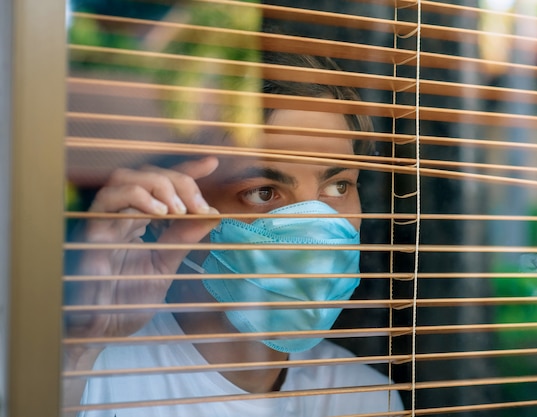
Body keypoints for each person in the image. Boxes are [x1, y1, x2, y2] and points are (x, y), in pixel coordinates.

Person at [64, 51, 404, 416]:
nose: (314, 231)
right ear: (167, 206)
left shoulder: (363, 400)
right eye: (263, 193)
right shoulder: (83, 373)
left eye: (338, 188)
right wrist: (78, 347)